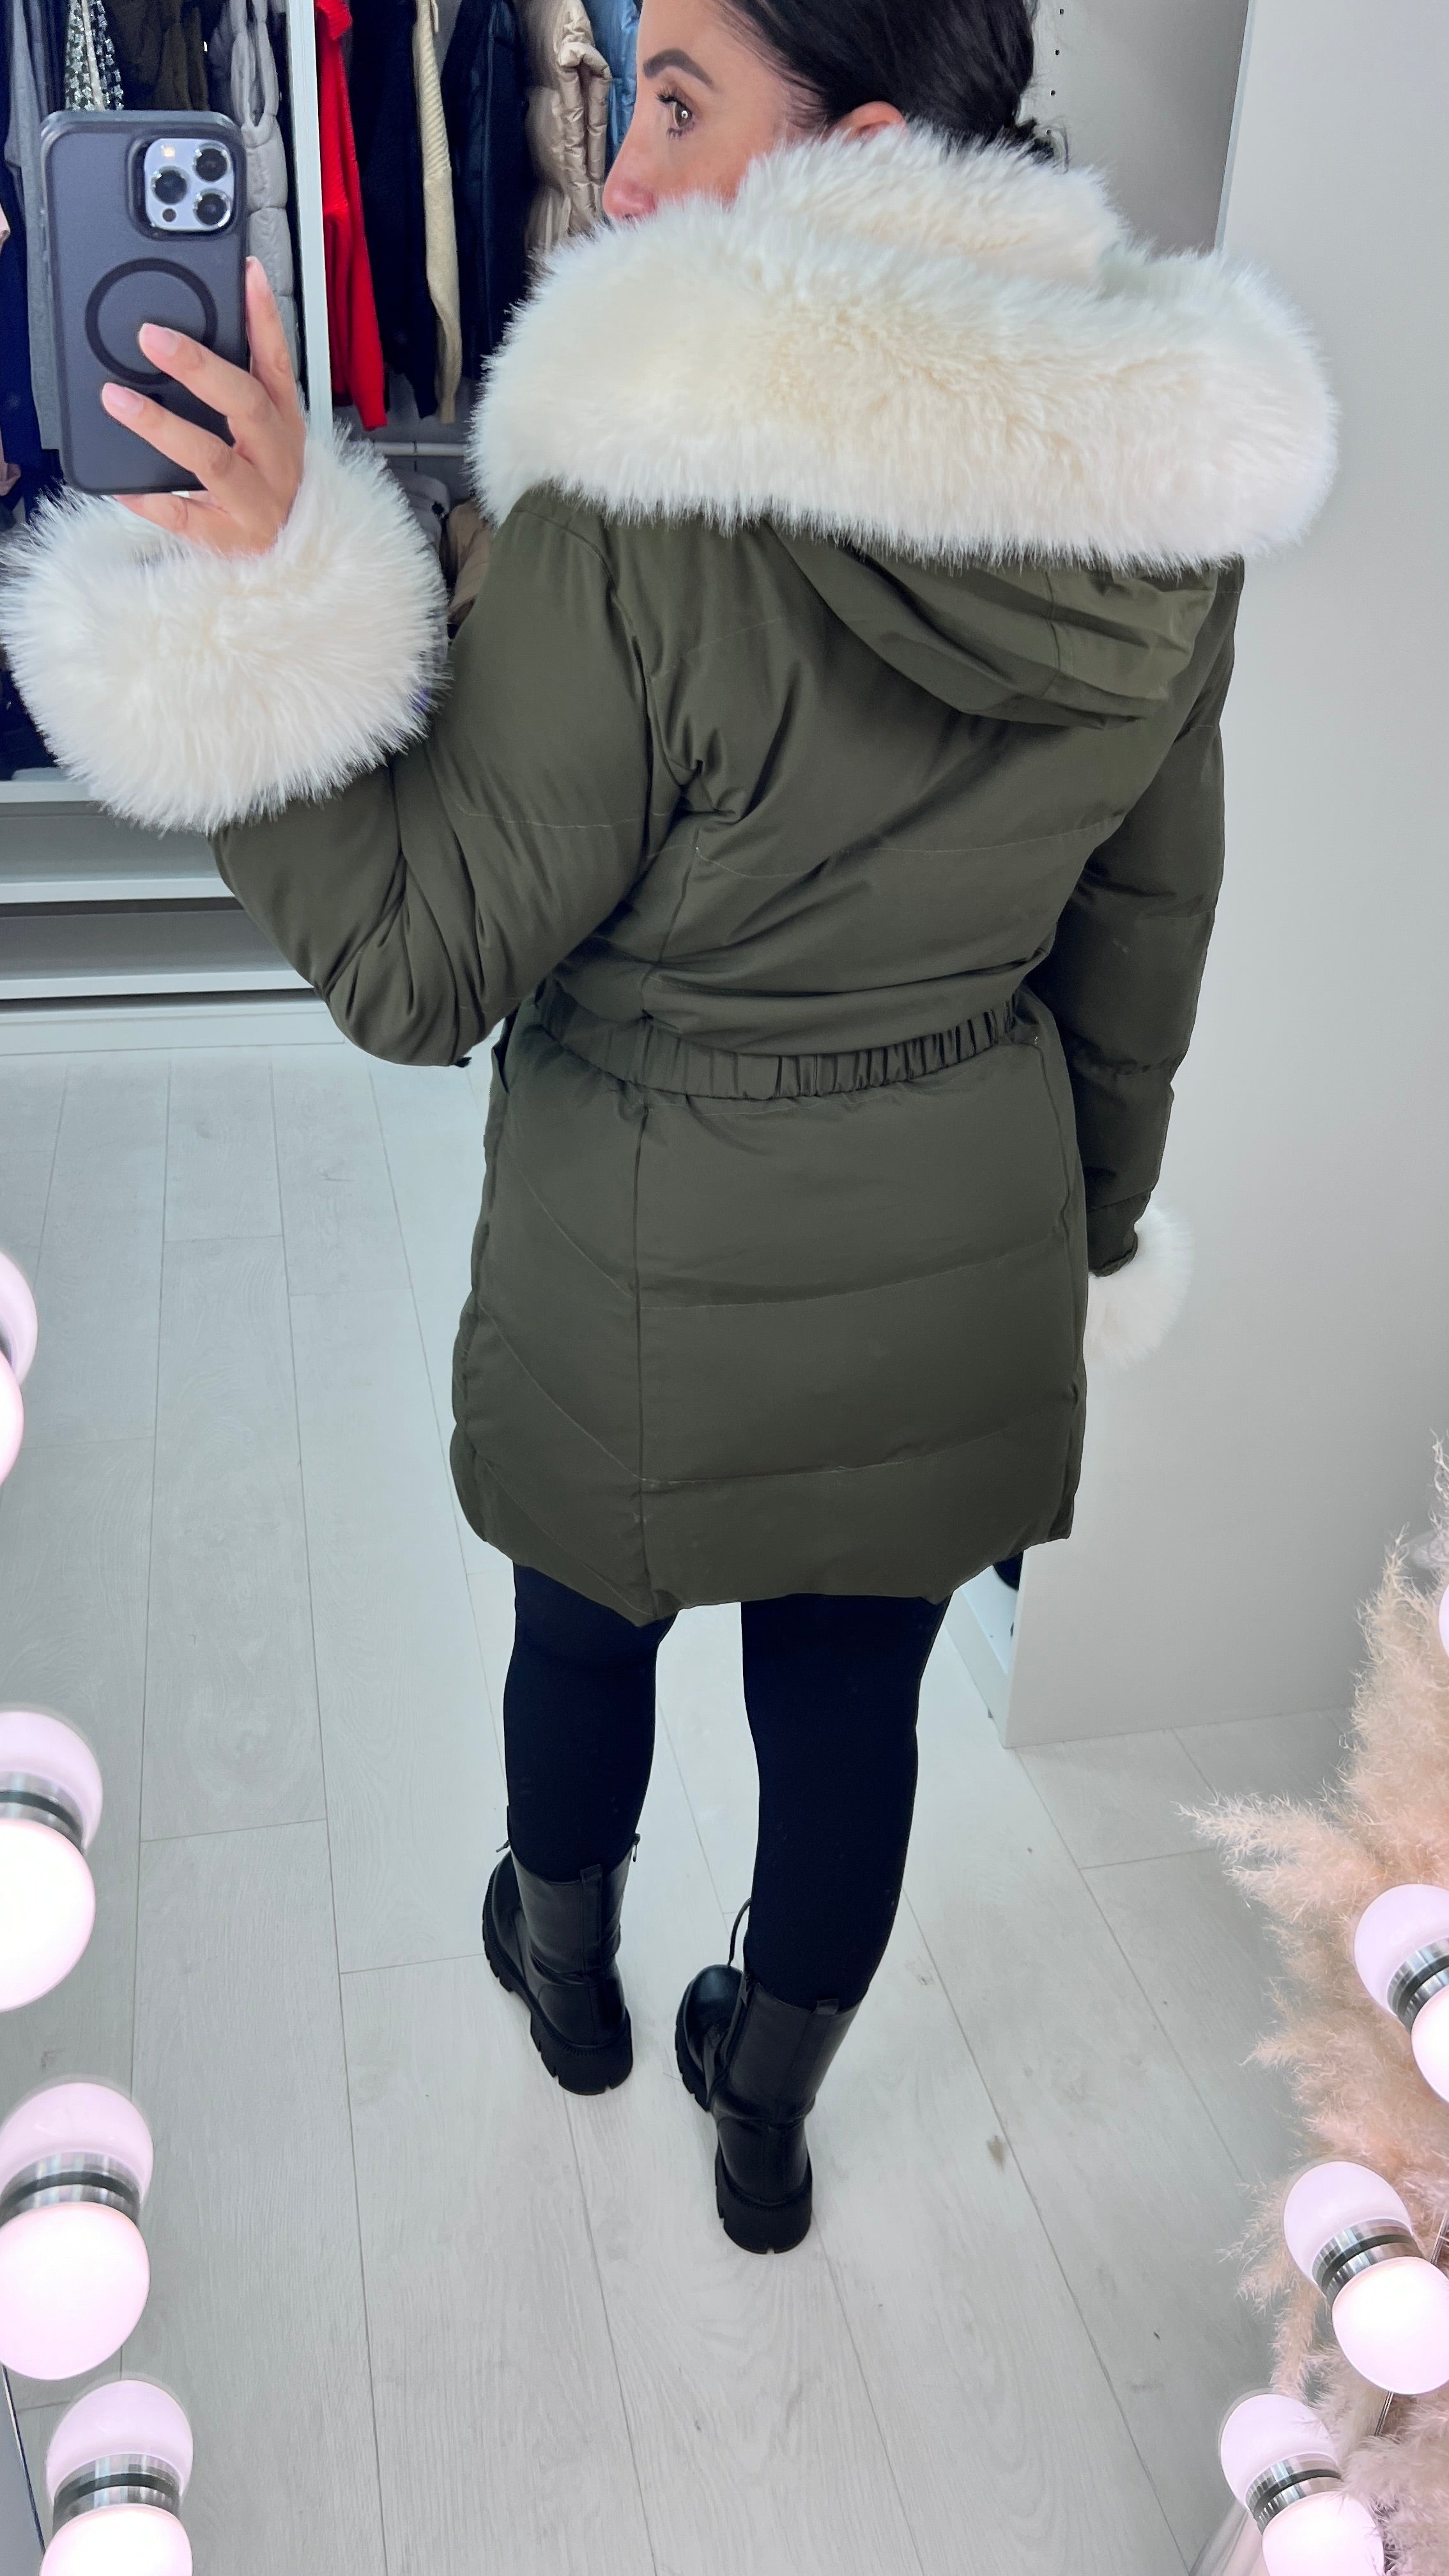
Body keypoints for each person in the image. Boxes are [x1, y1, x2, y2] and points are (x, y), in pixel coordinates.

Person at [0, 0, 1334, 2254]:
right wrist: (1081, 1246)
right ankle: (766, 2114)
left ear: (862, 143)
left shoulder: (636, 508)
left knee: (582, 1640)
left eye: (679, 100)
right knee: (851, 1712)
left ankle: (566, 1986)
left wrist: (257, 585)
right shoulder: (1165, 507)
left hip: (631, 1248)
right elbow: (1143, 941)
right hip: (966, 1251)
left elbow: (418, 963)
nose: (612, 172)